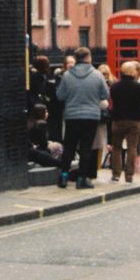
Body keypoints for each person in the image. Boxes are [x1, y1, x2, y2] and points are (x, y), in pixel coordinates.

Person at [55, 48, 109, 189]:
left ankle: (64, 177)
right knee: (86, 148)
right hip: (91, 117)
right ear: (89, 57)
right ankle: (81, 179)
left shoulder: (67, 76)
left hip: (72, 116)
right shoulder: (97, 75)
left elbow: (60, 95)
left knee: (69, 147)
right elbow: (105, 95)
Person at [108, 60, 140, 183]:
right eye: (135, 69)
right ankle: (129, 176)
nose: (136, 72)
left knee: (116, 148)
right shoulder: (139, 87)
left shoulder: (115, 86)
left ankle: (116, 174)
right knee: (132, 148)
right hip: (134, 120)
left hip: (118, 120)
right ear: (130, 72)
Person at [27, 104, 62, 168]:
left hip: (35, 146)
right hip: (39, 148)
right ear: (41, 113)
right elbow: (43, 143)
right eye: (46, 112)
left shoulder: (30, 122)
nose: (47, 113)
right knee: (58, 146)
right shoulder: (41, 124)